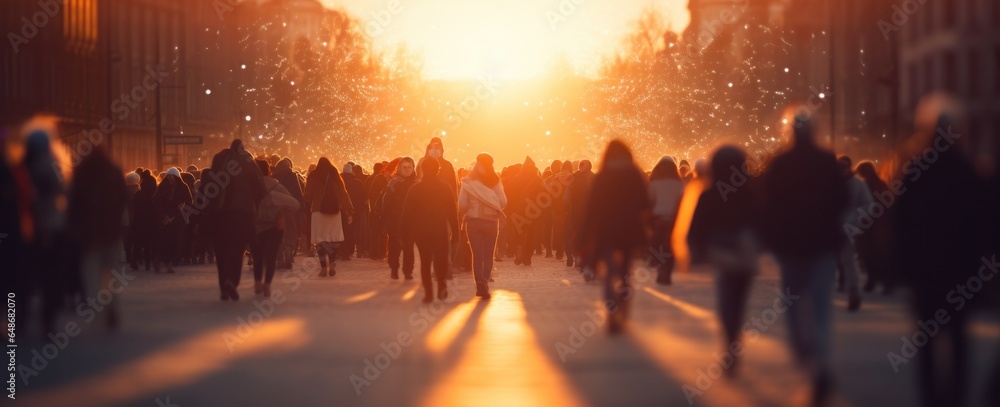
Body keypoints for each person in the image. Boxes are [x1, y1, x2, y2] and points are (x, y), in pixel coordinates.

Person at [893, 97, 987, 407]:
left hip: (925, 270)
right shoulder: (968, 169)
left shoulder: (915, 170)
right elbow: (981, 224)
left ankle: (931, 398)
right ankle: (956, 396)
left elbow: (900, 222)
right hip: (961, 270)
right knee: (958, 337)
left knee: (927, 337)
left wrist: (901, 265)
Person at [761, 112, 848, 403]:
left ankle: (803, 354)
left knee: (793, 302)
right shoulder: (827, 161)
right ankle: (822, 363)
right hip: (822, 245)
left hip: (790, 247)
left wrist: (771, 240)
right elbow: (842, 200)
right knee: (821, 307)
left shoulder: (780, 163)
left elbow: (766, 204)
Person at [687, 145, 762, 376]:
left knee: (727, 299)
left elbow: (696, 225)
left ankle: (731, 343)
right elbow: (765, 219)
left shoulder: (708, 192)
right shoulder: (752, 189)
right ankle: (734, 340)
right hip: (746, 253)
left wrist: (695, 251)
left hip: (722, 253)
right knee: (739, 300)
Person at [577, 140, 650, 334]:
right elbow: (645, 203)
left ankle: (611, 311)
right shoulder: (634, 174)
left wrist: (584, 237)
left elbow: (591, 209)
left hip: (606, 231)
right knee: (625, 273)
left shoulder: (602, 176)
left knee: (609, 272)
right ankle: (623, 308)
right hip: (629, 230)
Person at [67, 148, 128, 329]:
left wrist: (74, 228)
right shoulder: (114, 171)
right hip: (111, 231)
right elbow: (124, 199)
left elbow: (74, 204)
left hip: (89, 234)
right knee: (110, 271)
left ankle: (95, 306)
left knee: (92, 272)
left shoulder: (82, 172)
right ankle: (112, 305)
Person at [201, 139, 265, 301]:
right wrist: (256, 204)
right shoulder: (248, 161)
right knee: (237, 250)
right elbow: (260, 187)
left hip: (219, 214)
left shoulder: (219, 159)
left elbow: (209, 183)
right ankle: (231, 282)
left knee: (221, 251)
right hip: (242, 213)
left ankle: (223, 286)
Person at [400, 158, 459, 302]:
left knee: (426, 263)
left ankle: (428, 293)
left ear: (422, 170)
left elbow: (406, 213)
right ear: (438, 170)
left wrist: (404, 234)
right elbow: (453, 212)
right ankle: (441, 286)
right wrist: (456, 232)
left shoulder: (415, 189)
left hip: (422, 232)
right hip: (440, 230)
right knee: (441, 260)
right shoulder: (445, 188)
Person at [459, 153, 507, 299]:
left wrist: (470, 208)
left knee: (477, 256)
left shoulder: (468, 182)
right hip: (491, 222)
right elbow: (503, 202)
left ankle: (479, 284)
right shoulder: (495, 181)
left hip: (474, 222)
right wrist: (491, 204)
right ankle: (485, 282)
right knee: (488, 256)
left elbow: (461, 204)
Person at [251, 159, 299, 297]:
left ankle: (257, 282)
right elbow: (295, 204)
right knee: (271, 257)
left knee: (258, 257)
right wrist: (279, 206)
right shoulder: (276, 186)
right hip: (274, 227)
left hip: (256, 227)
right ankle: (267, 284)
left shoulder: (249, 187)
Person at [303, 157, 354, 277]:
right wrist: (349, 211)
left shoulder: (313, 176)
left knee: (320, 240)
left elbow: (307, 195)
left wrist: (312, 202)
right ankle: (332, 263)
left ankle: (323, 268)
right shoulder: (335, 175)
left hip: (318, 211)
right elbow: (343, 194)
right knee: (333, 238)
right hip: (334, 211)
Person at [836, 155, 873, 311]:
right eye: (840, 166)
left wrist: (855, 217)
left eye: (845, 166)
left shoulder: (858, 184)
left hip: (849, 228)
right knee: (827, 263)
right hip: (832, 228)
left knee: (848, 261)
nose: (842, 169)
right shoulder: (831, 183)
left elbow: (868, 204)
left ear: (849, 167)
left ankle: (853, 293)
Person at [854, 160, 895, 294]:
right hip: (876, 225)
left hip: (874, 225)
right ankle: (880, 282)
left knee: (873, 255)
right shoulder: (879, 184)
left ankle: (876, 282)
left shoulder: (870, 186)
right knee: (876, 255)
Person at [648, 156, 684, 284]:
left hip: (658, 218)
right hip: (674, 219)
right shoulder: (679, 184)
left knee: (658, 245)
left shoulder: (654, 183)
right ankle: (667, 273)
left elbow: (650, 201)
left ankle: (659, 269)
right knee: (670, 247)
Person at [380, 157, 417, 280]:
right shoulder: (394, 182)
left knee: (408, 247)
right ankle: (394, 268)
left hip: (411, 221)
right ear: (400, 168)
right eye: (404, 167)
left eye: (409, 168)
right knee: (394, 245)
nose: (407, 170)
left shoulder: (416, 183)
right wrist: (387, 216)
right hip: (395, 220)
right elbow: (386, 201)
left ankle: (408, 271)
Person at [151, 167, 192, 273]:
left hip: (177, 218)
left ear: (177, 177)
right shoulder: (163, 186)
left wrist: (179, 213)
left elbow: (188, 201)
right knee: (164, 241)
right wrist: (164, 215)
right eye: (168, 176)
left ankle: (169, 264)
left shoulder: (183, 187)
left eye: (172, 176)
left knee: (174, 241)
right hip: (164, 217)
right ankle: (159, 260)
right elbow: (155, 200)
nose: (170, 178)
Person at [508, 157, 543, 266]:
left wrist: (511, 209)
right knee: (531, 234)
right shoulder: (538, 180)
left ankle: (519, 251)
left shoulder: (516, 179)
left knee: (520, 232)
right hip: (533, 211)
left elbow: (509, 195)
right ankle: (527, 258)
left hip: (518, 210)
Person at [273, 157, 304, 269]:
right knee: (291, 231)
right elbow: (298, 192)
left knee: (278, 233)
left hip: (277, 210)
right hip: (290, 208)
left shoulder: (274, 176)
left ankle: (280, 257)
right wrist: (301, 206)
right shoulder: (292, 176)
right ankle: (289, 249)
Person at [565, 159, 595, 271]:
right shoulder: (594, 178)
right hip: (589, 212)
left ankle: (576, 258)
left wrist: (566, 208)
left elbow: (566, 197)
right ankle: (586, 260)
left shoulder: (573, 177)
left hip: (574, 210)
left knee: (573, 234)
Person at [340, 162, 367, 261]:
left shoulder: (339, 181)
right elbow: (364, 196)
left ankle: (342, 251)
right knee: (353, 231)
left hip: (342, 211)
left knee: (342, 230)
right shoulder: (357, 182)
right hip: (355, 211)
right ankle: (351, 251)